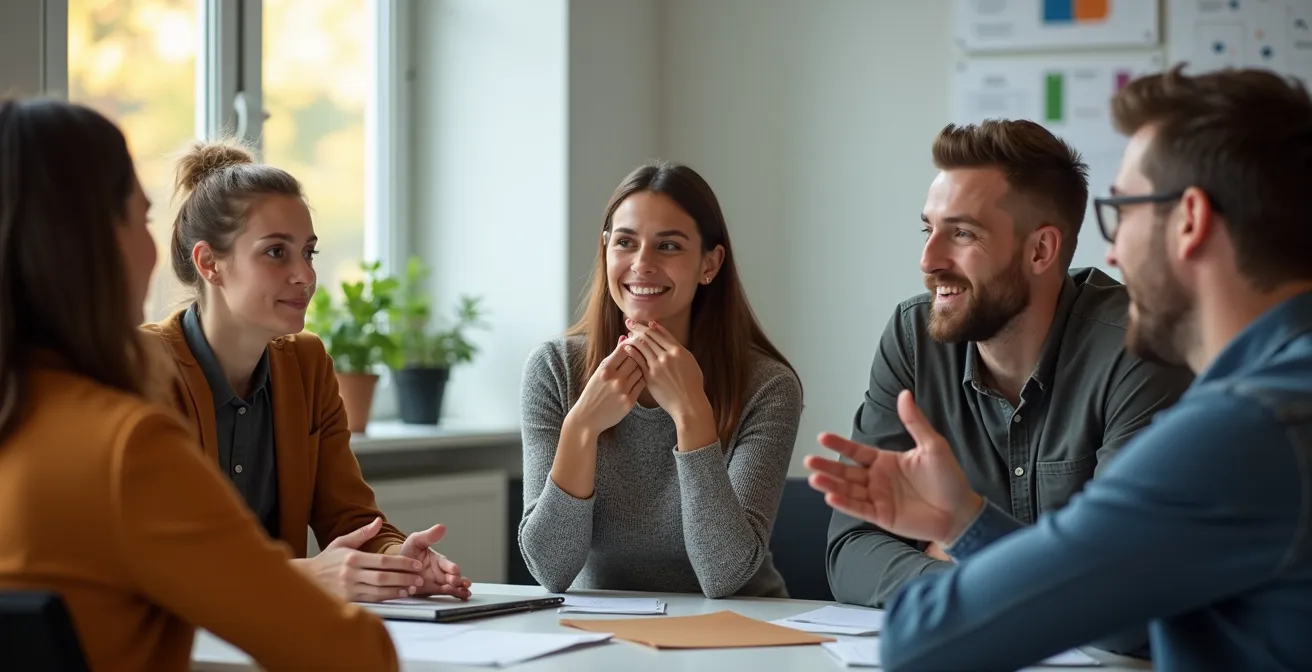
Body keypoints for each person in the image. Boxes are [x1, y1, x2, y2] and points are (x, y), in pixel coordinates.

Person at [806, 65, 1312, 672]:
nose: (1112, 250)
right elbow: (1112, 593)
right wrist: (966, 522)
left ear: (1189, 221)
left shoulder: (1245, 430)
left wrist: (964, 554)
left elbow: (930, 637)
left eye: (1122, 211)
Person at [0, 98, 398, 671]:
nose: (152, 250)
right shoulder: (124, 445)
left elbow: (351, 521)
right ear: (87, 241)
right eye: (139, 219)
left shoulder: (37, 422)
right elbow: (354, 654)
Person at [827, 119, 1193, 620]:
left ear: (1040, 250)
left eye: (961, 233)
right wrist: (967, 584)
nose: (928, 259)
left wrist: (960, 547)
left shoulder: (1138, 348)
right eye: (928, 229)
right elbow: (851, 547)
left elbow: (1116, 585)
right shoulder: (914, 338)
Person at [139, 140, 471, 604]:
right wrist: (305, 575)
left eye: (309, 253)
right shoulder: (142, 367)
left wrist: (398, 561)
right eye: (276, 253)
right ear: (209, 264)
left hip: (274, 633)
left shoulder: (306, 363)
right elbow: (158, 555)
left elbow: (351, 519)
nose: (305, 276)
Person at [518, 161, 803, 599]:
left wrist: (692, 413)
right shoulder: (554, 369)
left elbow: (725, 575)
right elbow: (550, 570)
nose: (642, 264)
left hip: (737, 633)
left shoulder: (768, 386)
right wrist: (582, 426)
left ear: (710, 263)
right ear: (605, 251)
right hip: (599, 636)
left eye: (668, 246)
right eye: (626, 243)